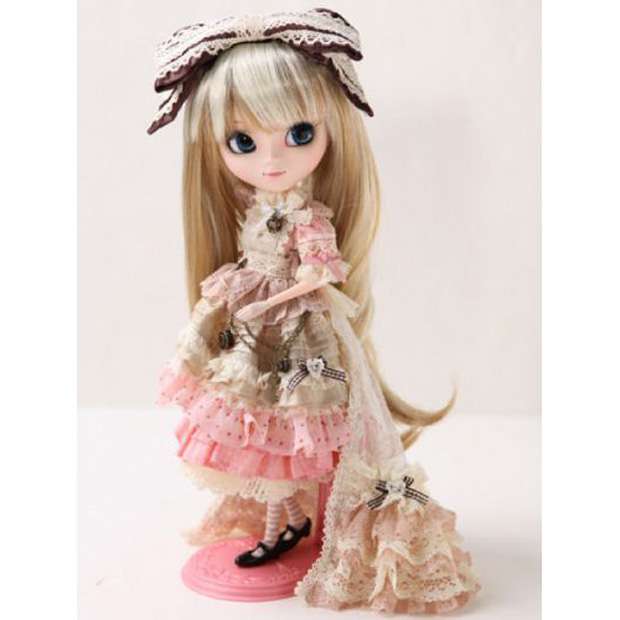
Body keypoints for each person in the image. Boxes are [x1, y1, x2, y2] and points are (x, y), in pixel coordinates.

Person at [150, 8, 480, 614]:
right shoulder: (255, 205)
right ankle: (284, 521)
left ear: (331, 133)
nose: (272, 160)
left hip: (296, 334)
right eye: (244, 142)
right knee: (248, 420)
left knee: (287, 428)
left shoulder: (309, 219)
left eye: (299, 133)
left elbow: (319, 274)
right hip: (250, 325)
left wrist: (268, 302)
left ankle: (284, 527)